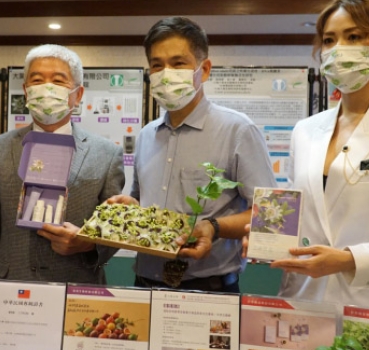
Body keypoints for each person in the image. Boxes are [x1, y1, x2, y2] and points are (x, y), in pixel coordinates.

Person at [199, 0, 369, 312]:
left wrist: (348, 259)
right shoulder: (306, 130)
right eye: (330, 40)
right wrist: (268, 239)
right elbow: (300, 217)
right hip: (300, 298)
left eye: (354, 36)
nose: (338, 48)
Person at [109, 17, 277, 292]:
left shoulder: (238, 130)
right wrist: (131, 207)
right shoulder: (147, 135)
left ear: (204, 69)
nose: (166, 73)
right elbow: (142, 201)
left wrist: (214, 226)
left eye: (178, 63)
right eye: (157, 65)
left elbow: (270, 215)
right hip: (144, 284)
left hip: (209, 289)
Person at [0, 44, 125, 283]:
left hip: (77, 282)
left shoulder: (107, 153)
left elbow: (113, 229)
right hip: (10, 284)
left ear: (78, 94)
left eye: (58, 81)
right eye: (37, 80)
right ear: (26, 91)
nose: (46, 88)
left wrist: (88, 243)